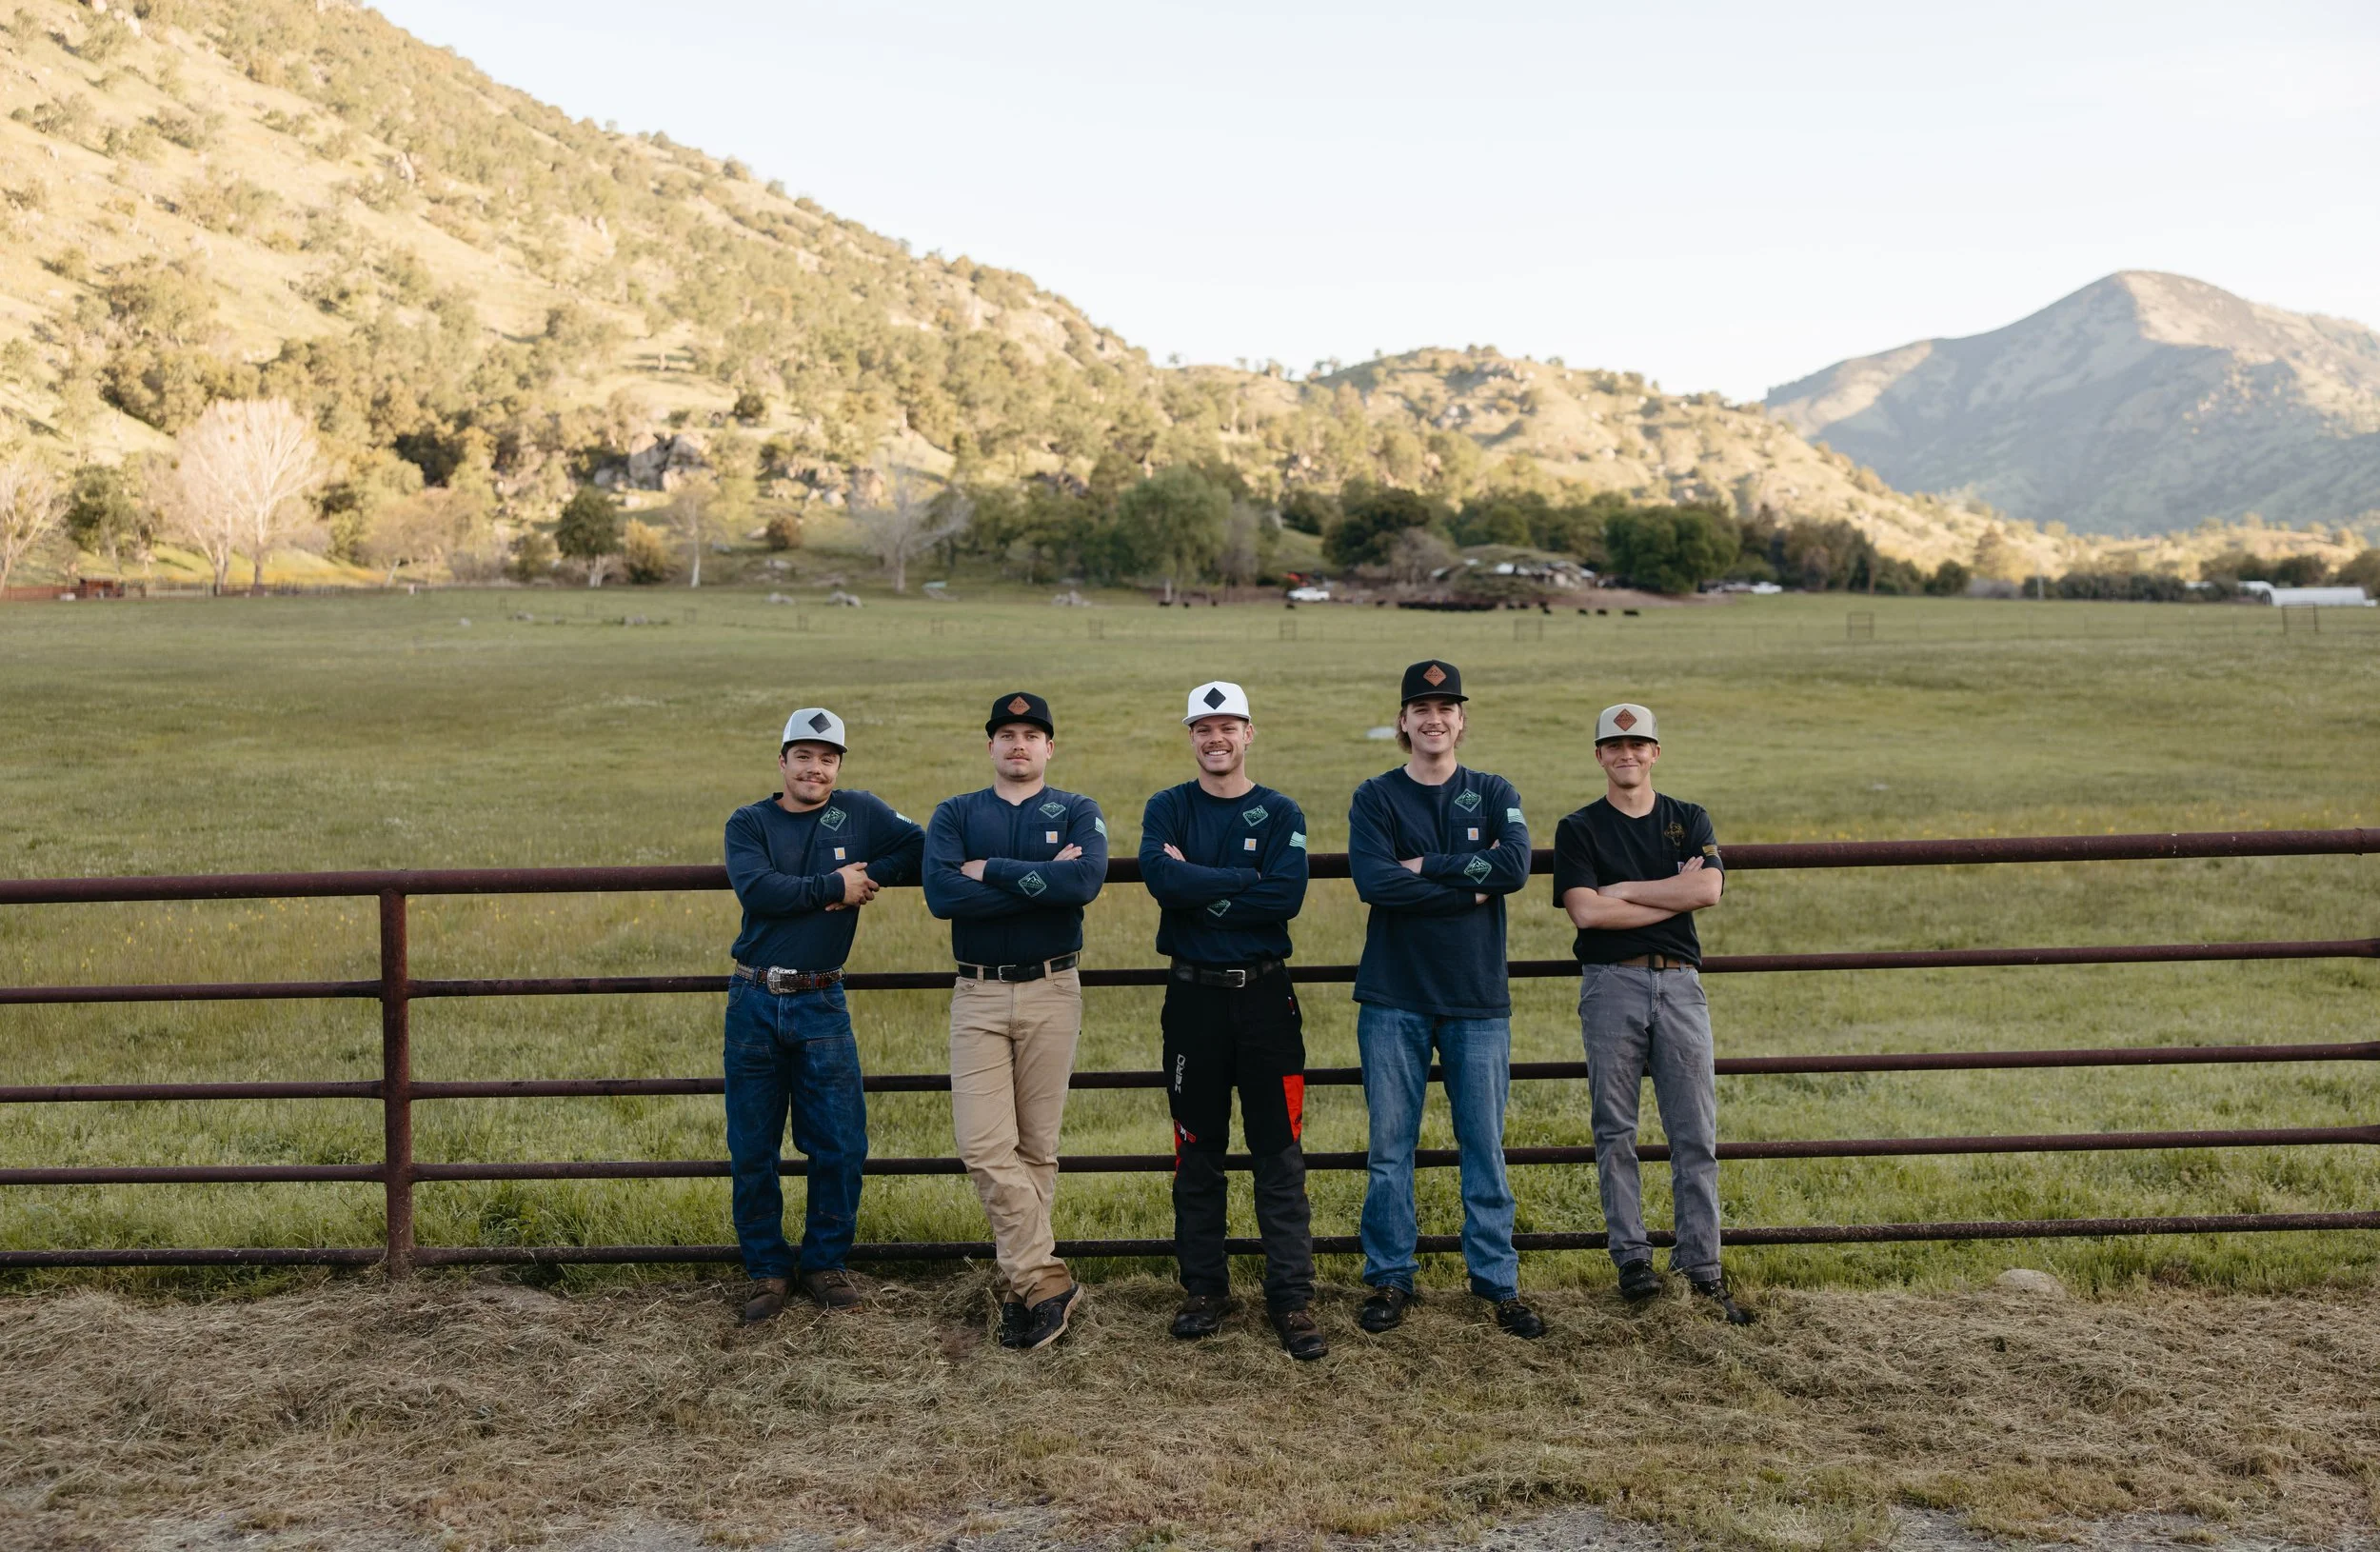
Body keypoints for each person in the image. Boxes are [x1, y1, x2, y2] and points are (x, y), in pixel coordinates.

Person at [1345, 660, 1544, 1340]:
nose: (1434, 718)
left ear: (1462, 718)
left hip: (1477, 999)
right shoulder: (1376, 796)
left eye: (1446, 707)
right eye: (1420, 708)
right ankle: (1390, 1277)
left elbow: (1515, 866)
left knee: (1484, 1145)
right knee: (1388, 1149)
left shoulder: (1493, 791)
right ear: (1403, 720)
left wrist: (1426, 866)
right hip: (1393, 996)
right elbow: (1375, 884)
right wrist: (1470, 883)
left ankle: (1496, 1283)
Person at [1139, 680, 1323, 1360]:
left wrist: (1204, 883)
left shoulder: (1279, 810)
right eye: (1203, 729)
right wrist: (1245, 883)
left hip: (1266, 1001)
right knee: (1198, 1150)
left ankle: (1292, 1298)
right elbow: (1162, 881)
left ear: (1250, 733)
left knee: (1279, 1151)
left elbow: (1289, 894)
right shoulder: (1169, 807)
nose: (1216, 740)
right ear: (1190, 737)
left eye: (1228, 727)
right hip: (1193, 1002)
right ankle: (1205, 1291)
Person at [721, 707, 924, 1323]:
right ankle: (766, 1268)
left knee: (838, 1142)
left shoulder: (857, 812)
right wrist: (833, 887)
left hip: (822, 999)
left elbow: (918, 846)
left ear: (839, 766)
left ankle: (825, 1262)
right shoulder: (749, 821)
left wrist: (870, 876)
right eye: (804, 756)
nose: (816, 768)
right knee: (753, 1145)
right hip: (755, 999)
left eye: (828, 758)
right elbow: (758, 890)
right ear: (782, 761)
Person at [1552, 702, 1751, 1324]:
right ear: (1599, 757)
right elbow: (1586, 913)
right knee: (1616, 1129)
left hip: (1681, 986)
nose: (1627, 755)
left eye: (1638, 745)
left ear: (1655, 752)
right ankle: (1632, 1259)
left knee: (1695, 1133)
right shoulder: (1579, 827)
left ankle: (1701, 1266)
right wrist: (1671, 892)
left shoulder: (1687, 819)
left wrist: (1628, 890)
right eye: (1615, 746)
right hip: (1611, 984)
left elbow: (1708, 889)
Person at [922, 692, 1108, 1351]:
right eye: (1007, 734)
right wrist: (1038, 882)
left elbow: (1083, 885)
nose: (1019, 744)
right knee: (982, 1145)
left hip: (1054, 987)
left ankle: (1023, 1292)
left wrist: (992, 872)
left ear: (1049, 747)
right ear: (991, 746)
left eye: (1032, 734)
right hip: (978, 993)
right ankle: (1046, 1280)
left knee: (1037, 1150)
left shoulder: (1078, 809)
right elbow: (943, 895)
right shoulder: (957, 813)